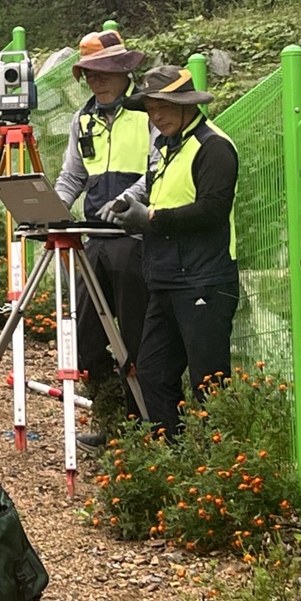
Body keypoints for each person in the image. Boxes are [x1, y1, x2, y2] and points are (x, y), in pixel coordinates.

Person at [110, 65, 239, 438]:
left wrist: (150, 218)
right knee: (152, 372)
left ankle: (220, 462)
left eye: (164, 106)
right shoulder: (167, 147)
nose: (157, 115)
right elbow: (162, 202)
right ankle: (175, 457)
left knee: (209, 383)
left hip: (204, 281)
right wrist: (135, 215)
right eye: (151, 108)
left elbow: (213, 210)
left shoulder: (213, 147)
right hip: (166, 280)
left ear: (187, 104)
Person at [54, 30, 153, 442]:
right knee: (86, 339)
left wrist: (129, 200)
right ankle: (110, 421)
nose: (97, 80)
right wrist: (53, 209)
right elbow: (73, 175)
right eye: (90, 74)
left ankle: (140, 426)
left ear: (124, 70)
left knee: (136, 337)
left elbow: (159, 167)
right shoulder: (83, 118)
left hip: (136, 239)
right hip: (93, 239)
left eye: (104, 72)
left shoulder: (148, 111)